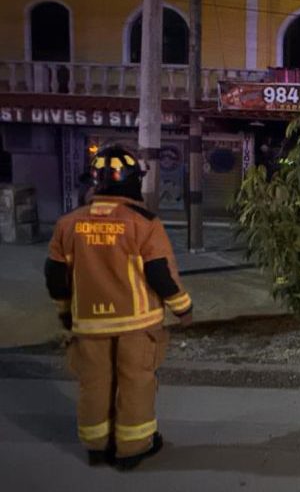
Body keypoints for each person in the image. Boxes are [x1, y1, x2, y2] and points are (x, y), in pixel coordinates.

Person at [44, 145, 193, 470]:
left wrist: (66, 312)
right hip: (136, 326)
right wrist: (183, 309)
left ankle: (96, 446)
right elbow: (160, 274)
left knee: (94, 383)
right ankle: (132, 449)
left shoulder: (68, 224)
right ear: (132, 181)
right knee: (136, 383)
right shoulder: (144, 223)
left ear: (95, 182)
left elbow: (55, 276)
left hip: (89, 324)